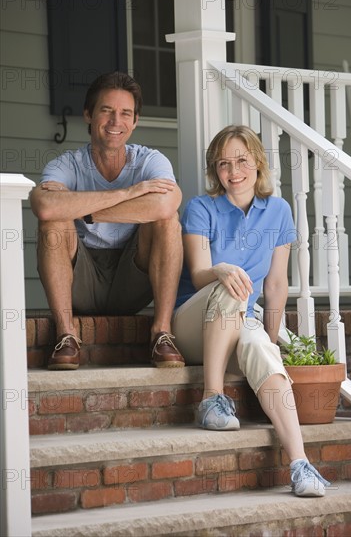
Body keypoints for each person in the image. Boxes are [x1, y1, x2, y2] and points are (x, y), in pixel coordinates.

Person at [172, 125, 330, 497]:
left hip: (240, 319)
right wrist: (222, 269)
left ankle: (300, 465)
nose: (233, 171)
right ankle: (212, 399)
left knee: (260, 349)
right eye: (224, 163)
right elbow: (197, 277)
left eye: (242, 160)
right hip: (194, 325)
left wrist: (270, 341)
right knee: (233, 284)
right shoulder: (201, 208)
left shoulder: (278, 211)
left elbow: (275, 285)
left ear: (258, 163)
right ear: (216, 170)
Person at [30, 71, 185, 371]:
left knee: (168, 220)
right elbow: (45, 206)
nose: (116, 121)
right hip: (82, 279)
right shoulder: (67, 164)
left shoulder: (150, 161)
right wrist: (128, 192)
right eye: (107, 111)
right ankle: (66, 337)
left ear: (135, 121)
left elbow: (167, 202)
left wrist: (87, 212)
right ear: (88, 114)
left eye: (125, 113)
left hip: (133, 276)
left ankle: (161, 333)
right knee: (53, 223)